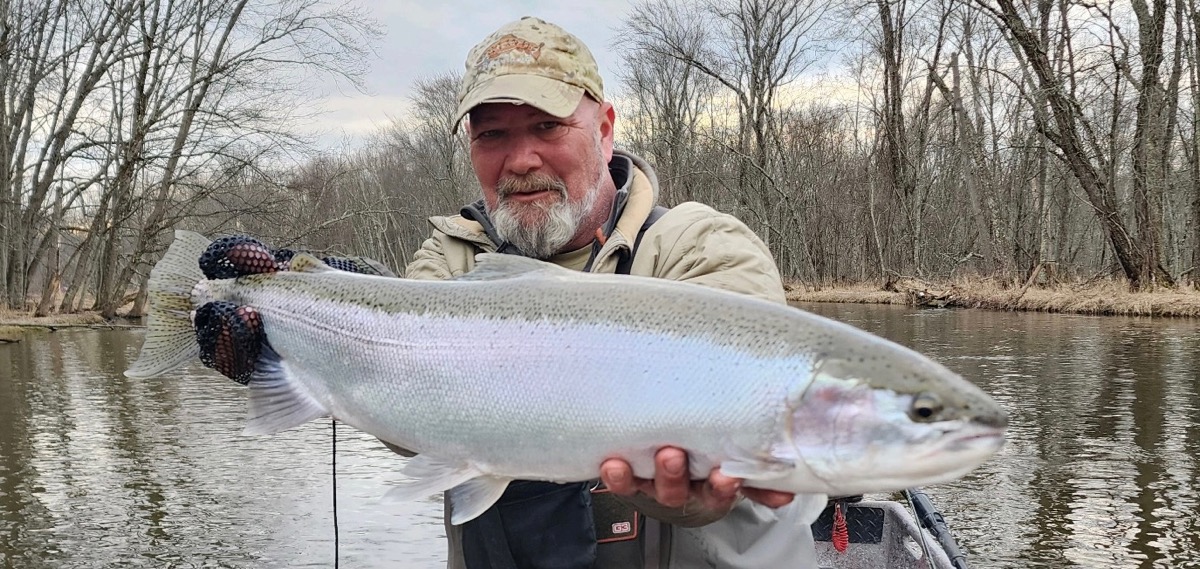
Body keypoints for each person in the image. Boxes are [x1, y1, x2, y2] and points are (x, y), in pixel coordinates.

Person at [401, 15, 819, 569]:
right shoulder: (449, 261)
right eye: (492, 135)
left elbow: (747, 443)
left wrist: (688, 490)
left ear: (604, 129)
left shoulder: (702, 247)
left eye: (547, 126)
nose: (521, 160)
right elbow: (401, 410)